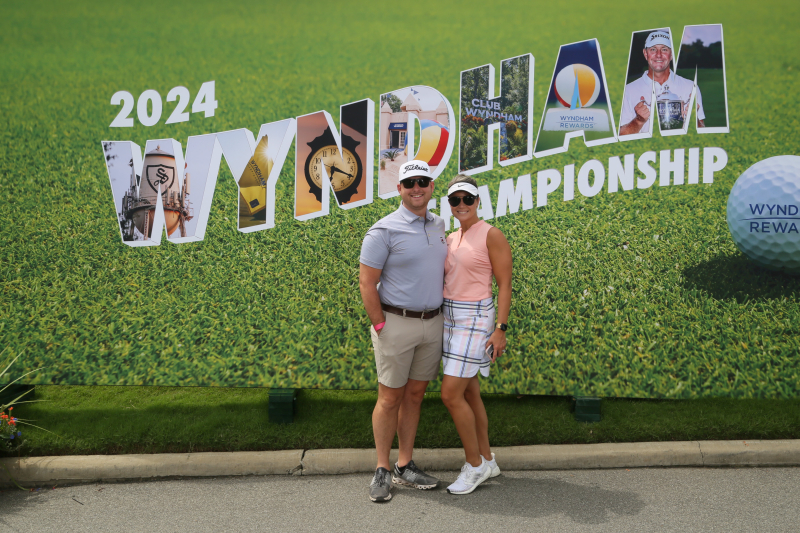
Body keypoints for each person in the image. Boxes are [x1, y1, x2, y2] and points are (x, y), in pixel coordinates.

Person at [359, 160, 448, 503]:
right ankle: (382, 468)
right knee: (389, 398)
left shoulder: (438, 224)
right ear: (399, 188)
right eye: (409, 182)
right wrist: (380, 325)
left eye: (423, 181)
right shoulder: (383, 230)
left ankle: (404, 464)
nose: (416, 188)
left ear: (431, 186)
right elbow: (367, 283)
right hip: (395, 323)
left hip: (432, 323)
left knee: (414, 396)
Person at [439, 174, 512, 495]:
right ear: (450, 204)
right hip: (449, 318)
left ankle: (474, 465)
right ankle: (488, 459)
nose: (462, 205)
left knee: (450, 394)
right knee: (470, 393)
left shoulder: (491, 234)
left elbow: (505, 284)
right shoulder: (450, 237)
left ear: (478, 201)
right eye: (455, 200)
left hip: (476, 319)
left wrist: (501, 329)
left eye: (467, 199)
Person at [619, 30, 705, 136]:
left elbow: (702, 133)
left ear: (671, 54)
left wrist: (694, 119)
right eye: (653, 49)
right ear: (645, 54)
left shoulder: (691, 87)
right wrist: (638, 121)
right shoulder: (628, 90)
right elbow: (621, 136)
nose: (658, 55)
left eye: (664, 49)